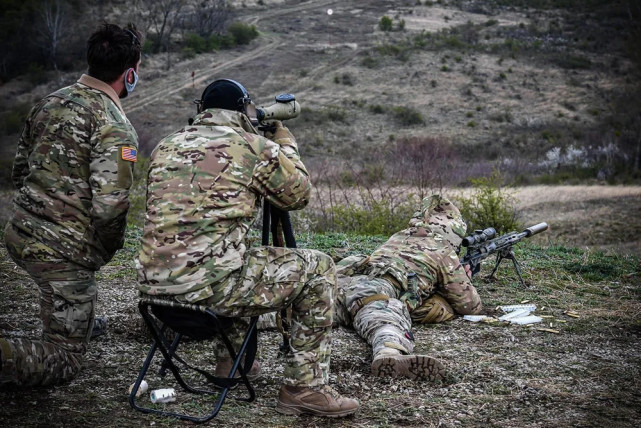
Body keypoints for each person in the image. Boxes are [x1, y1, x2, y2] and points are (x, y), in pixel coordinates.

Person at [135, 79, 359, 418]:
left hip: (156, 295)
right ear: (244, 111)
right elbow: (298, 194)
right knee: (320, 267)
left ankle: (230, 364)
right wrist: (285, 145)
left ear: (201, 110)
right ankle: (306, 388)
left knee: (238, 257)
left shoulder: (166, 146)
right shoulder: (253, 147)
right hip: (209, 295)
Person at [1, 23, 142, 387]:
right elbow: (111, 207)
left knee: (66, 296)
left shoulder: (50, 101)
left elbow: (20, 172)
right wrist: (106, 247)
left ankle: (74, 313)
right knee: (65, 360)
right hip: (61, 255)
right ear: (130, 73)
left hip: (19, 233)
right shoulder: (116, 127)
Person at [332, 195, 482, 381]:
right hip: (376, 290)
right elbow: (469, 306)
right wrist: (465, 279)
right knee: (384, 320)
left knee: (318, 312)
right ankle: (389, 354)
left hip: (347, 284)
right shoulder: (442, 248)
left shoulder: (399, 236)